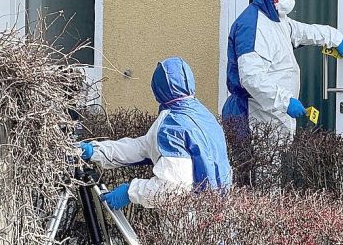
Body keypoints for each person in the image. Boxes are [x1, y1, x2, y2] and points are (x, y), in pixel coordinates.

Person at [78, 57, 232, 210]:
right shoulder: (203, 116)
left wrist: (131, 191)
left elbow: (172, 190)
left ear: (157, 90)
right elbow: (143, 147)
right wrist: (95, 151)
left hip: (191, 218)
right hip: (219, 212)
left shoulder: (172, 126)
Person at [222, 0, 343, 134]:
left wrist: (335, 38)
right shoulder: (252, 27)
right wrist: (285, 102)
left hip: (272, 113)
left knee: (273, 158)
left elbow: (302, 32)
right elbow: (251, 78)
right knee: (258, 160)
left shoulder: (277, 19)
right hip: (253, 114)